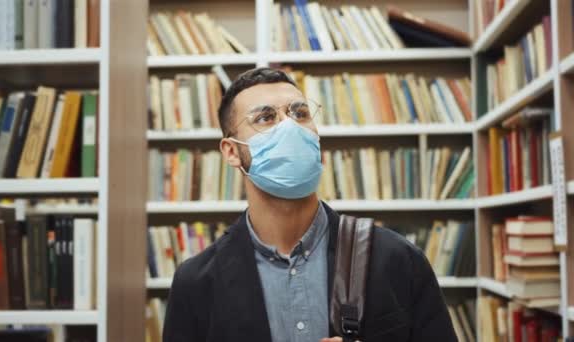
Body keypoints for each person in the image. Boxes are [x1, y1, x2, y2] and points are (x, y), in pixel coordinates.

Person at [162, 67, 457, 342]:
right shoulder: (196, 284)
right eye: (265, 118)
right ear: (231, 151)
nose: (290, 127)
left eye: (300, 113)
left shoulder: (397, 259)